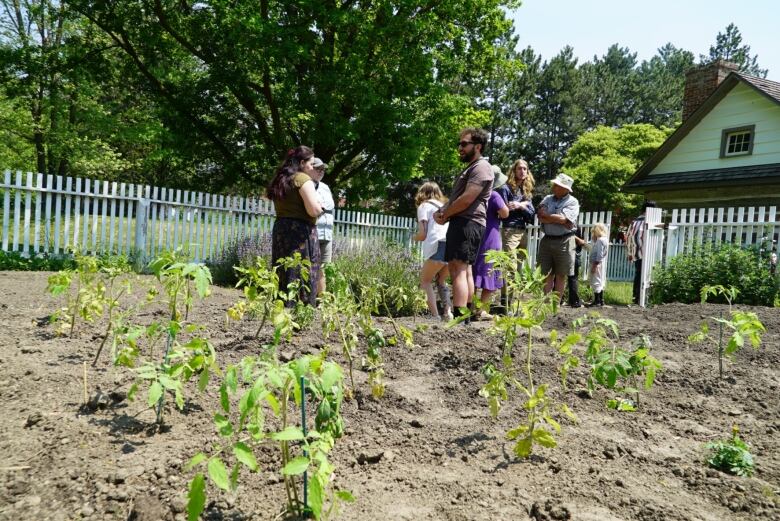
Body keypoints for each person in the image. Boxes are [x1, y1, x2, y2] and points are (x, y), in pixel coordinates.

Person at [433, 128, 494, 322]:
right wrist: (443, 210)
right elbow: (457, 197)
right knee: (464, 269)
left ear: (477, 146)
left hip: (468, 223)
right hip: (465, 222)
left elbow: (467, 199)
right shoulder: (472, 167)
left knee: (457, 268)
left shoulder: (481, 167)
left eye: (464, 144)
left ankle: (460, 318)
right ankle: (465, 317)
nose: (459, 147)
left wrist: (445, 214)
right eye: (459, 143)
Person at [266, 146, 323, 306]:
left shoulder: (281, 179)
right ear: (303, 162)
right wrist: (320, 208)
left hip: (281, 229)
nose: (312, 167)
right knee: (302, 269)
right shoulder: (303, 180)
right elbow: (313, 210)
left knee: (283, 267)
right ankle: (301, 309)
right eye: (311, 164)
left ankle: (281, 306)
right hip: (300, 232)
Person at [472, 166, 510, 320]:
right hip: (490, 237)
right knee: (490, 272)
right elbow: (505, 213)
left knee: (474, 273)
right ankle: (482, 310)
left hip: (476, 235)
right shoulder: (494, 195)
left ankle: (471, 307)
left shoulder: (475, 195)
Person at [413, 182, 453, 321]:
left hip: (437, 246)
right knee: (442, 280)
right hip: (450, 245)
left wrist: (414, 237)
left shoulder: (424, 206)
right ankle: (448, 313)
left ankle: (435, 316)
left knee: (425, 281)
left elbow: (423, 234)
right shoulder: (444, 207)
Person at [536, 173, 579, 299]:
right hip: (547, 240)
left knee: (561, 274)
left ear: (565, 188)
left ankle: (556, 305)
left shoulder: (572, 202)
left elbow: (563, 219)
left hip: (564, 241)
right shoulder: (547, 198)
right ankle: (545, 302)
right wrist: (557, 218)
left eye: (557, 185)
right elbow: (540, 215)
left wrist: (548, 217)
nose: (553, 186)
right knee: (546, 273)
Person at [311, 157, 335, 296]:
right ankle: (308, 298)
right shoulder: (306, 185)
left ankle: (322, 300)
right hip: (313, 231)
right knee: (310, 266)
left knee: (324, 268)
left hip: (327, 233)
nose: (321, 171)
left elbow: (329, 208)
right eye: (318, 168)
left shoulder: (325, 187)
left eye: (323, 169)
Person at [627, 200, 656, 305]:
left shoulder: (634, 222)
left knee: (638, 276)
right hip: (650, 254)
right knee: (648, 276)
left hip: (637, 254)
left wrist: (630, 253)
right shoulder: (649, 221)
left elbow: (629, 238)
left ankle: (636, 298)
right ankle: (643, 299)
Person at [586, 223, 609, 307]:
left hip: (596, 263)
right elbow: (603, 253)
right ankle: (601, 300)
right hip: (600, 262)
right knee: (601, 281)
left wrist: (594, 266)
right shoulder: (605, 239)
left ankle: (597, 301)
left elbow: (599, 254)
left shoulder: (600, 240)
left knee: (596, 281)